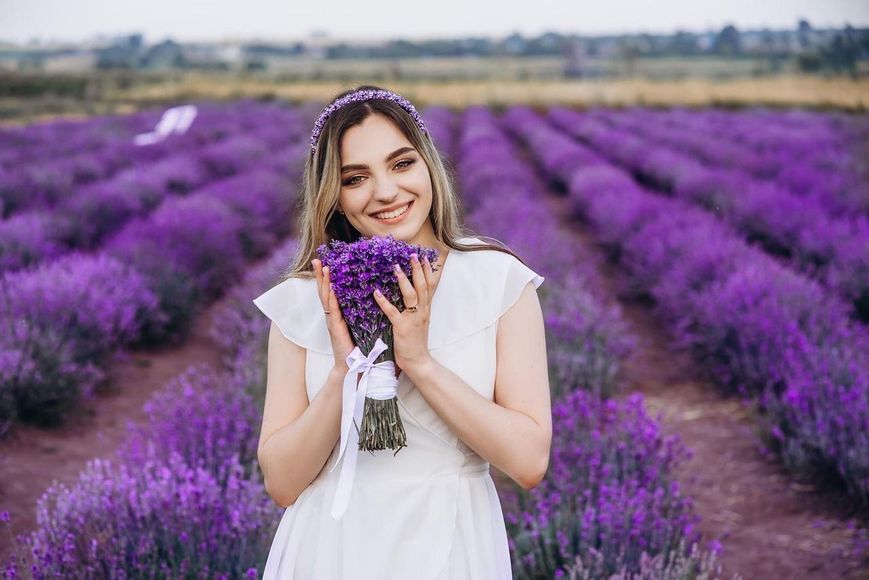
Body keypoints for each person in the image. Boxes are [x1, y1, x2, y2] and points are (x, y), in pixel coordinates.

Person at [252, 85, 552, 579]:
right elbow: (282, 483)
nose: (387, 192)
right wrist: (344, 372)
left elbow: (528, 461)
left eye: (401, 164)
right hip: (330, 550)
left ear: (429, 165)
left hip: (450, 546)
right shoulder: (305, 299)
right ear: (334, 196)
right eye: (356, 178)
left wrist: (418, 362)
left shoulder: (498, 281)